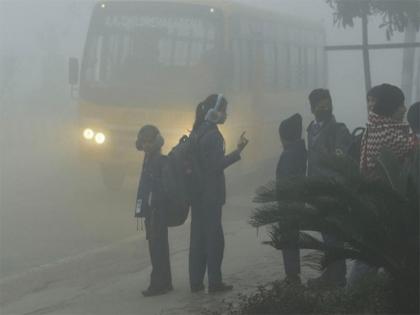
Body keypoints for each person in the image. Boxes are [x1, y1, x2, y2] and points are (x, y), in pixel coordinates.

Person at [189, 94, 249, 294]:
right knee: (214, 239)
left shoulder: (196, 131)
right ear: (214, 112)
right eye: (223, 110)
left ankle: (195, 282)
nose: (226, 114)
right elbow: (216, 165)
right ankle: (215, 282)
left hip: (196, 193)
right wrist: (238, 151)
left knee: (197, 238)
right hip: (211, 195)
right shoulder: (213, 135)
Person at [306, 89, 352, 288]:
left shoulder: (339, 130)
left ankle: (338, 277)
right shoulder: (311, 129)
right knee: (326, 235)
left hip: (333, 191)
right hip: (317, 191)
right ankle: (330, 274)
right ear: (312, 107)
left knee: (334, 236)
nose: (324, 107)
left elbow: (340, 162)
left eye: (327, 103)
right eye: (319, 104)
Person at [135, 125, 172, 297]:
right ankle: (166, 282)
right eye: (143, 142)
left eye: (149, 141)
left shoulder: (157, 160)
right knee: (160, 247)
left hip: (156, 211)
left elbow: (157, 189)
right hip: (154, 210)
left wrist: (149, 208)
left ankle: (158, 284)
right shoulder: (150, 158)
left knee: (157, 248)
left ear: (156, 142)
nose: (146, 145)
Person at [276, 113, 307, 284]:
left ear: (286, 137)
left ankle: (292, 275)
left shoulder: (289, 154)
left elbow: (286, 182)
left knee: (289, 239)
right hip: (296, 201)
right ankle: (293, 273)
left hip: (288, 204)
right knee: (292, 239)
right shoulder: (299, 149)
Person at [360, 84, 417, 177]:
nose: (405, 109)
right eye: (401, 105)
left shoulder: (375, 127)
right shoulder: (387, 134)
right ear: (390, 107)